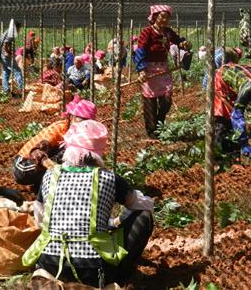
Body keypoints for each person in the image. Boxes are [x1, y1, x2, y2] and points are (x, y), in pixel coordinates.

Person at [22, 120, 154, 287]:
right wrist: (117, 221)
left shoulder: (49, 176)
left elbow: (40, 219)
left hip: (52, 264)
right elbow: (144, 205)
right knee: (144, 217)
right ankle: (122, 276)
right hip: (93, 270)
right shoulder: (109, 178)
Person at [13, 95, 97, 191]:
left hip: (38, 166)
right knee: (67, 151)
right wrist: (53, 167)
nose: (83, 126)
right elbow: (36, 152)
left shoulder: (81, 134)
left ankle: (41, 184)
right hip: (23, 165)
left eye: (87, 122)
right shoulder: (59, 129)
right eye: (80, 120)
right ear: (72, 117)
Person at [134, 4, 192, 138]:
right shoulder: (147, 32)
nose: (165, 20)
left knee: (167, 99)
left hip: (164, 69)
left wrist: (184, 44)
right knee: (150, 101)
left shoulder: (167, 32)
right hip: (149, 69)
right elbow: (140, 50)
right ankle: (152, 131)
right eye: (162, 17)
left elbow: (178, 41)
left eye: (167, 18)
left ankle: (160, 122)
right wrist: (141, 70)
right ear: (155, 17)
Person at [0, 20, 24, 95]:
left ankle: (5, 90)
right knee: (17, 71)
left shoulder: (6, 32)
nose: (19, 30)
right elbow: (6, 44)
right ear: (16, 27)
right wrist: (9, 53)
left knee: (6, 72)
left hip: (2, 55)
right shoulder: (10, 33)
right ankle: (21, 89)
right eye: (19, 28)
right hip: (6, 56)